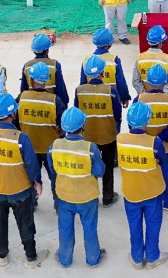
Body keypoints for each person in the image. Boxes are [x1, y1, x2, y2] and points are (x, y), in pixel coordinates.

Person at [0, 94, 45, 268]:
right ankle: (31, 258)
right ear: (12, 114)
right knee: (25, 223)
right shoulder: (20, 138)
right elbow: (31, 164)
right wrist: (37, 182)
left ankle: (1, 256)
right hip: (20, 191)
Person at [49, 108, 107, 268]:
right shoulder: (91, 148)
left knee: (65, 228)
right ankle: (93, 258)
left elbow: (52, 169)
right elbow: (99, 171)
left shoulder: (54, 146)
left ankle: (64, 258)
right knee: (90, 228)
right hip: (87, 197)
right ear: (83, 126)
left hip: (64, 196)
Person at [117, 102, 168, 269]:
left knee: (134, 225)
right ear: (147, 121)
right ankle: (153, 257)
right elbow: (163, 160)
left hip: (131, 192)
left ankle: (137, 257)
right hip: (151, 192)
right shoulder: (154, 142)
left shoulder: (120, 139)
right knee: (153, 224)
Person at [17, 61, 66, 210]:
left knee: (30, 177)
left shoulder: (22, 98)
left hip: (28, 148)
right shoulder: (54, 101)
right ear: (46, 80)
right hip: (50, 147)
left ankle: (32, 202)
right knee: (55, 177)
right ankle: (59, 205)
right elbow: (63, 125)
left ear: (31, 80)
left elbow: (15, 122)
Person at [75, 55, 122, 208]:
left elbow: (77, 113)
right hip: (107, 135)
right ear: (102, 72)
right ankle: (108, 196)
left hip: (87, 136)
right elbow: (117, 114)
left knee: (89, 166)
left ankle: (91, 196)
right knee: (108, 165)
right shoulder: (111, 91)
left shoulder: (79, 91)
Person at [134, 64, 168, 211]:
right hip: (166, 147)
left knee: (147, 173)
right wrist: (160, 139)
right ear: (165, 82)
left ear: (148, 81)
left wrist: (147, 140)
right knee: (167, 173)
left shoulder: (139, 99)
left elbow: (133, 123)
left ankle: (149, 199)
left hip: (145, 148)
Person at [81, 28, 132, 107]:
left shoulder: (87, 59)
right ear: (109, 44)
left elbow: (83, 81)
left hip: (93, 101)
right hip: (112, 99)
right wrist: (125, 97)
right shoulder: (114, 59)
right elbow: (120, 80)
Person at [19, 33, 68, 106]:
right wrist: (63, 106)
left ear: (34, 51)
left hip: (32, 106)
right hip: (50, 106)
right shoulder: (55, 65)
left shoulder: (26, 66)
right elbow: (61, 90)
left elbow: (23, 91)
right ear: (47, 50)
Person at [132, 25, 168, 94]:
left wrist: (145, 95)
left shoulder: (140, 58)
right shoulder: (167, 59)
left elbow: (135, 82)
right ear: (161, 43)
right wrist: (160, 95)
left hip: (144, 98)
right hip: (164, 99)